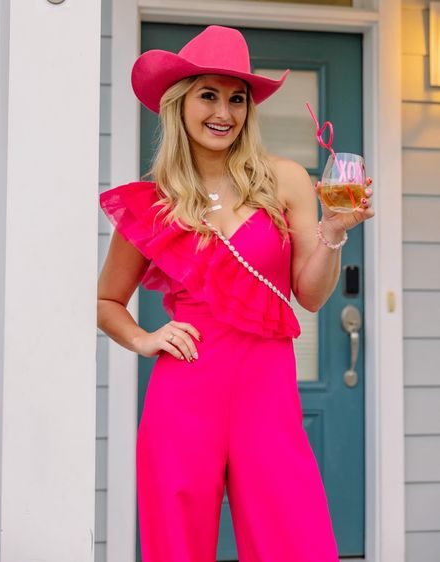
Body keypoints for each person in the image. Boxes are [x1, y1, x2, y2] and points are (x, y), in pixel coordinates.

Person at [97, 25, 374, 562]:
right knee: (176, 545)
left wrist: (333, 235)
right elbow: (107, 302)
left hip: (266, 393)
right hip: (184, 393)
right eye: (208, 95)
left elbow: (310, 297)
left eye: (237, 98)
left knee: (295, 541)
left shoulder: (285, 180)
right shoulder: (154, 202)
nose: (223, 111)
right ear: (180, 104)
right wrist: (145, 338)